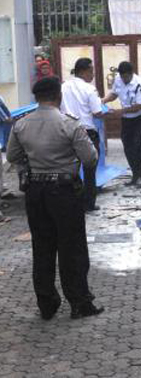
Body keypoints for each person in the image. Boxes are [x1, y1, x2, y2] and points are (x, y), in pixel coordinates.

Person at [6, 77, 104, 320]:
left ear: (36, 98)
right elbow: (90, 159)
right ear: (58, 96)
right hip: (64, 192)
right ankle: (80, 303)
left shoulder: (21, 125)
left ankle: (47, 305)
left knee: (42, 248)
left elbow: (12, 155)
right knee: (72, 249)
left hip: (35, 193)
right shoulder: (68, 124)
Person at [60, 58, 104, 212]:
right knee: (89, 169)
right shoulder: (89, 89)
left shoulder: (63, 87)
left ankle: (72, 201)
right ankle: (89, 204)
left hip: (65, 132)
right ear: (83, 71)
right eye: (91, 71)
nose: (93, 74)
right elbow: (97, 112)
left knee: (70, 169)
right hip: (86, 133)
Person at [102, 61, 141, 187]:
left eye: (126, 77)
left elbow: (140, 106)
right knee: (127, 145)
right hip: (127, 118)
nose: (124, 79)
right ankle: (135, 174)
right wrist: (103, 100)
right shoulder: (118, 79)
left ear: (131, 73)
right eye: (122, 77)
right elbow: (114, 93)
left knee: (138, 144)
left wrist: (120, 111)